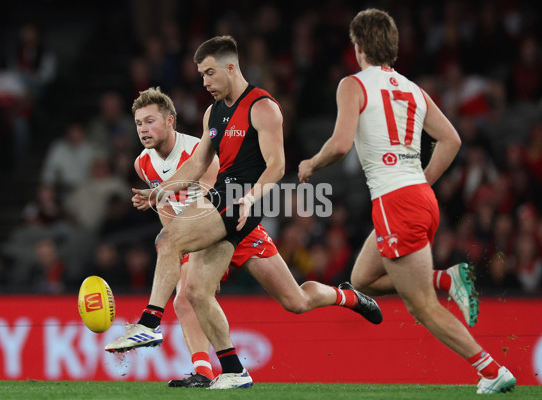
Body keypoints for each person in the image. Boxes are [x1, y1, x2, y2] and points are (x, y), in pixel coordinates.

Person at [104, 87, 383, 388]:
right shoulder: (142, 164)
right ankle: (204, 371)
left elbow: (216, 206)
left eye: (150, 121)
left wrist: (194, 250)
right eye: (139, 123)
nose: (144, 129)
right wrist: (183, 250)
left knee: (296, 301)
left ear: (170, 121)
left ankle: (346, 295)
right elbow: (168, 214)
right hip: (197, 235)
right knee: (187, 295)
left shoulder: (197, 152)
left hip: (235, 226)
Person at [298, 9, 515, 394]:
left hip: (396, 202)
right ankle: (448, 277)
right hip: (417, 197)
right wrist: (422, 183)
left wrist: (311, 164)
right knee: (363, 280)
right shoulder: (413, 88)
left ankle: (490, 369)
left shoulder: (352, 84)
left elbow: (341, 144)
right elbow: (451, 140)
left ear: (359, 47)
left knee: (422, 306)